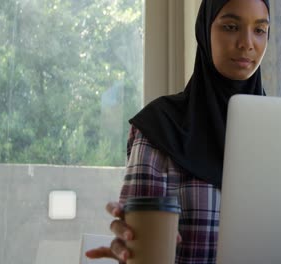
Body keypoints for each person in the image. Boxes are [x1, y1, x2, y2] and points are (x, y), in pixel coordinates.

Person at [85, 0, 270, 263]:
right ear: (204, 31)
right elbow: (140, 251)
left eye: (260, 30)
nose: (247, 43)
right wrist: (134, 251)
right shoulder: (161, 127)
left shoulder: (280, 134)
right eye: (230, 26)